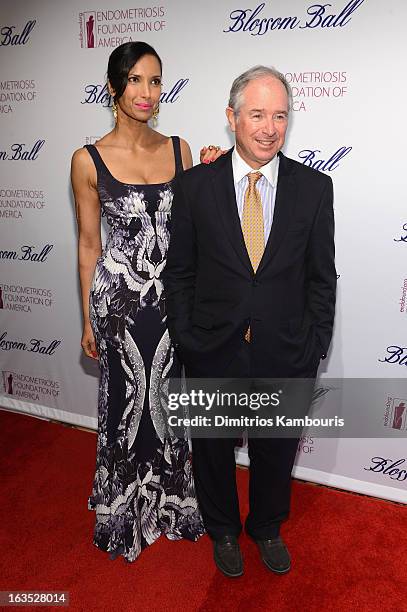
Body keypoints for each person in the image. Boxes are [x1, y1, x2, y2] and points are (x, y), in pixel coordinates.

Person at [163, 65, 336, 577]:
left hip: (286, 350)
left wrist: (315, 344)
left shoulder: (314, 187)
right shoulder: (195, 187)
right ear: (232, 118)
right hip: (213, 346)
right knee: (212, 450)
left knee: (276, 451)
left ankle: (265, 526)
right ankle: (222, 530)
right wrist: (189, 339)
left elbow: (321, 276)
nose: (269, 127)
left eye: (279, 115)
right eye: (257, 114)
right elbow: (181, 272)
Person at [71, 42, 221, 562]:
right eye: (135, 80)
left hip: (172, 301)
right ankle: (122, 507)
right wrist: (87, 318)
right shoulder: (86, 160)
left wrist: (212, 175)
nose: (146, 92)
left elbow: (199, 225)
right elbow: (90, 244)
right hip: (118, 305)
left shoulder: (181, 149)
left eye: (155, 81)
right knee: (122, 406)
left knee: (168, 405)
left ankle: (171, 501)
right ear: (114, 87)